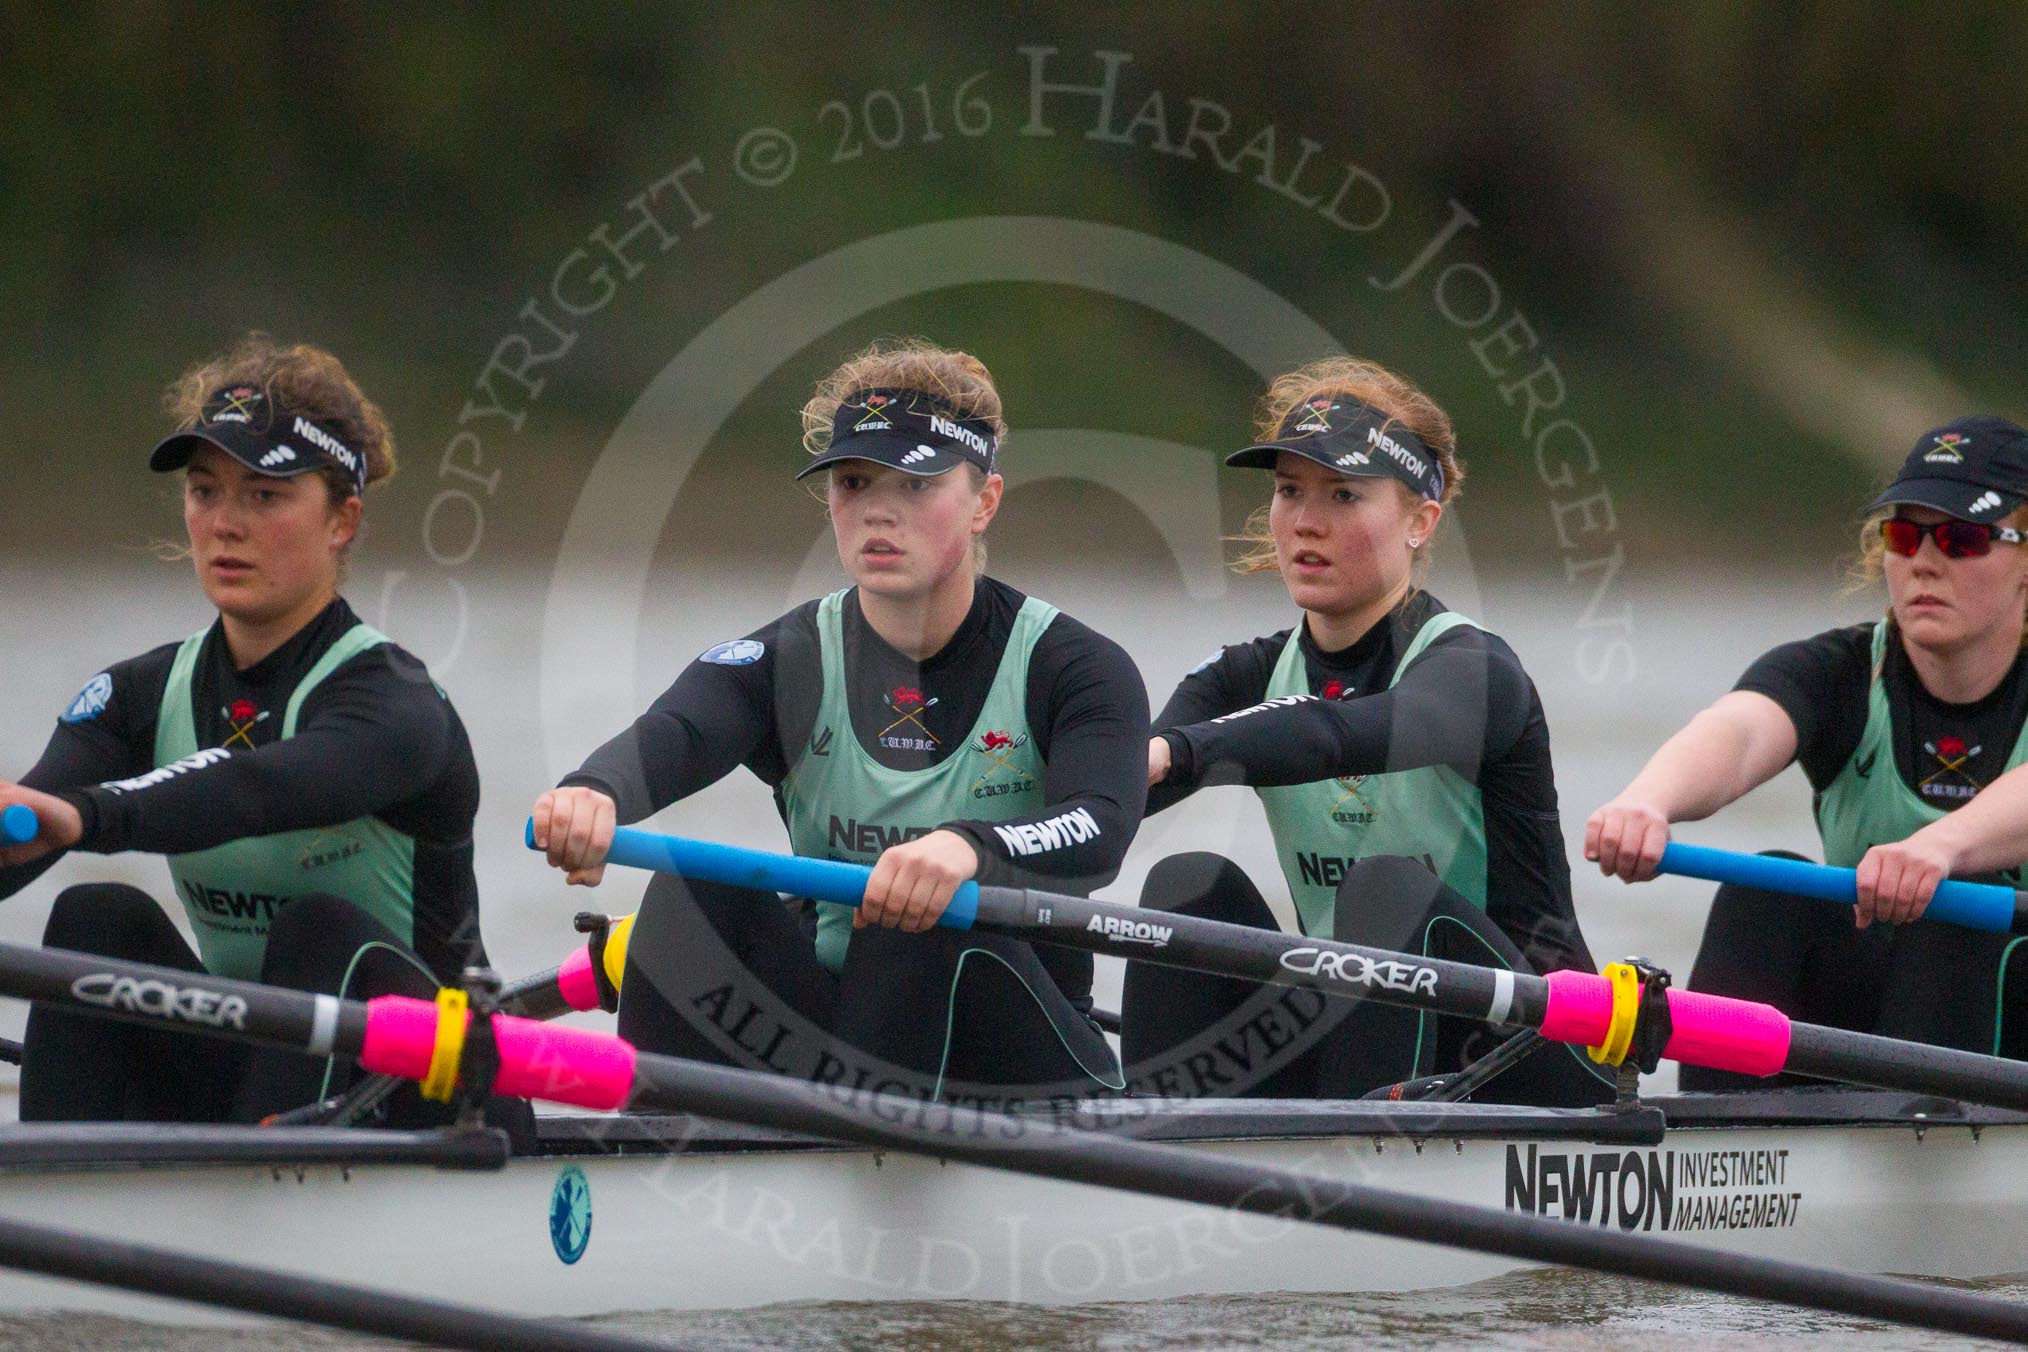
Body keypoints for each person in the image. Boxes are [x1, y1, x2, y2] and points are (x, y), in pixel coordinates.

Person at [532, 339, 1148, 1104]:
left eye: (916, 482)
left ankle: (839, 1162)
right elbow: (679, 734)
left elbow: (1102, 824)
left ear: (986, 500)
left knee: (916, 917)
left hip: (1025, 1054)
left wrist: (966, 847)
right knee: (693, 893)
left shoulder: (1075, 667)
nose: (878, 510)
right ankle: (666, 1168)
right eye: (855, 481)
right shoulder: (786, 658)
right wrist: (595, 791)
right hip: (844, 1044)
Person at [0, 335, 509, 1128]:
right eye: (205, 492)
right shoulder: (138, 695)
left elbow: (256, 788)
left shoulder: (396, 704)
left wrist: (93, 815)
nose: (225, 524)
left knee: (317, 931)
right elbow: (24, 825)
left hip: (434, 1101)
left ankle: (256, 1182)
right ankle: (64, 1188)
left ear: (342, 520)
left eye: (264, 496)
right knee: (95, 920)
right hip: (267, 1083)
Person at [1126, 356, 1613, 1105]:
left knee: (1385, 889)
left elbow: (1343, 734)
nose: (1306, 521)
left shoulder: (1473, 671)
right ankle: (1153, 1153)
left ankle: (1345, 1161)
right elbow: (1103, 805)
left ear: (1422, 519)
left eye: (1344, 494)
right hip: (1373, 1039)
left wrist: (1180, 752)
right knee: (1186, 885)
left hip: (1529, 1054)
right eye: (1290, 491)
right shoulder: (1239, 678)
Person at [1588, 416, 2028, 1088]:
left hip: (2006, 1021)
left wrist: (1941, 847)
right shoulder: (1843, 671)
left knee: (1951, 913)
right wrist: (1648, 802)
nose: (1924, 561)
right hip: (1900, 1020)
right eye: (1905, 535)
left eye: (1963, 539)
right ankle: (1724, 1153)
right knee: (1766, 890)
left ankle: (1923, 1155)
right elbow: (1738, 734)